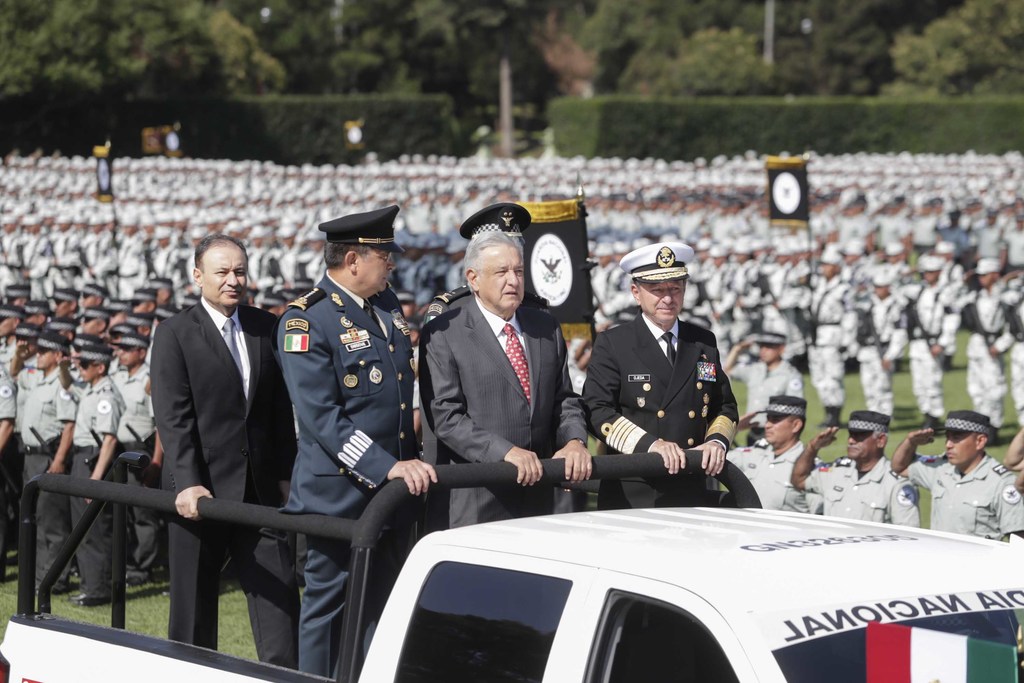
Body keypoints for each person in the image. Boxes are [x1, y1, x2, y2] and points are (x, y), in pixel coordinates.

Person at [274, 205, 437, 678]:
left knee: (382, 607)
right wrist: (387, 465)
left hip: (394, 492)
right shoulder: (307, 321)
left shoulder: (385, 306)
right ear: (353, 261)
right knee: (328, 611)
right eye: (384, 255)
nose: (392, 263)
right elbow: (321, 419)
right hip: (338, 495)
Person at [151, 234, 299, 666]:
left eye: (239, 271)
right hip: (200, 496)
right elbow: (174, 420)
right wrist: (190, 482)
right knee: (193, 617)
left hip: (261, 495)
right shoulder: (174, 333)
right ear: (197, 276)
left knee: (280, 610)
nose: (233, 280)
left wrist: (288, 483)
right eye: (222, 272)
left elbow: (276, 413)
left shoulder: (264, 326)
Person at [419, 226, 591, 527]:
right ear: (473, 278)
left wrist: (574, 440)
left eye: (519, 271)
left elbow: (564, 400)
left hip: (540, 496)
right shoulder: (446, 333)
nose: (513, 281)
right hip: (479, 498)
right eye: (501, 272)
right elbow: (446, 417)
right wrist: (505, 453)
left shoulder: (545, 327)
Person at [584, 241, 736, 509]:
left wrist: (716, 442)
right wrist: (651, 446)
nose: (668, 298)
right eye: (657, 290)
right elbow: (597, 411)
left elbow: (724, 406)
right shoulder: (614, 343)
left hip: (692, 482)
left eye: (675, 289)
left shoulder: (702, 341)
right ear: (635, 292)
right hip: (634, 486)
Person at [891, 410, 1024, 539]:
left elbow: (1019, 539)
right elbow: (900, 467)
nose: (948, 445)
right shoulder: (941, 468)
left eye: (956, 438)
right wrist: (910, 443)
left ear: (980, 441)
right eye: (947, 437)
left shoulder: (1001, 483)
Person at [66, 343, 125, 606]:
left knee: (94, 528)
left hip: (93, 462)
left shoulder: (106, 395)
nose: (80, 369)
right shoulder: (91, 388)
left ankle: (98, 589)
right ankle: (90, 585)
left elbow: (109, 440)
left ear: (100, 368)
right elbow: (68, 382)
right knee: (82, 526)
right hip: (82, 459)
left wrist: (96, 479)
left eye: (85, 365)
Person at [19, 331, 77, 592]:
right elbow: (14, 373)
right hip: (30, 456)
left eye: (43, 351)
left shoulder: (61, 385)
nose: (38, 355)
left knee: (52, 521)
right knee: (38, 518)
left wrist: (60, 459)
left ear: (56, 355)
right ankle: (40, 574)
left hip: (48, 457)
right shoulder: (39, 380)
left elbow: (69, 426)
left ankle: (55, 578)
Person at [791, 410, 919, 526]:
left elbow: (908, 534)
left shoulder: (897, 483)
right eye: (851, 435)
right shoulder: (837, 471)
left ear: (881, 441)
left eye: (860, 436)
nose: (851, 441)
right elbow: (799, 480)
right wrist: (812, 448)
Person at [111, 332, 164, 586]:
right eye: (119, 349)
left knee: (143, 513)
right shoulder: (117, 377)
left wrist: (156, 461)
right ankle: (129, 560)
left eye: (126, 348)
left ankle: (144, 566)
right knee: (125, 511)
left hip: (140, 449)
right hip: (118, 449)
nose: (120, 353)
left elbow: (160, 426)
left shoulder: (149, 379)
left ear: (141, 352)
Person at [726, 396, 821, 514]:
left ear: (796, 425)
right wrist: (733, 430)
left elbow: (818, 516)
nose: (767, 425)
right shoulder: (756, 452)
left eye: (775, 420)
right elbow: (714, 458)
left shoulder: (808, 467)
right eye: (767, 419)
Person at [723, 329, 803, 444]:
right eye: (761, 347)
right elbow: (728, 370)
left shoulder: (791, 375)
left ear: (781, 349)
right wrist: (737, 349)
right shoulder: (756, 369)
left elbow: (796, 410)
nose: (763, 351)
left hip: (776, 434)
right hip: (753, 432)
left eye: (769, 347)